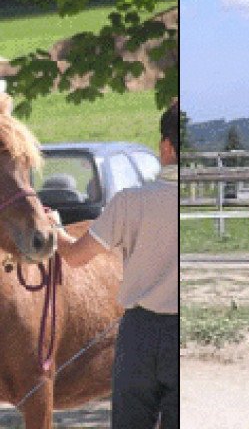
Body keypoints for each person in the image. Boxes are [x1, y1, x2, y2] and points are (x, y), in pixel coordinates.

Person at [49, 100, 179, 428]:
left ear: (166, 147)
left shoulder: (129, 202)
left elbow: (76, 256)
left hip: (140, 332)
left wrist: (56, 231)